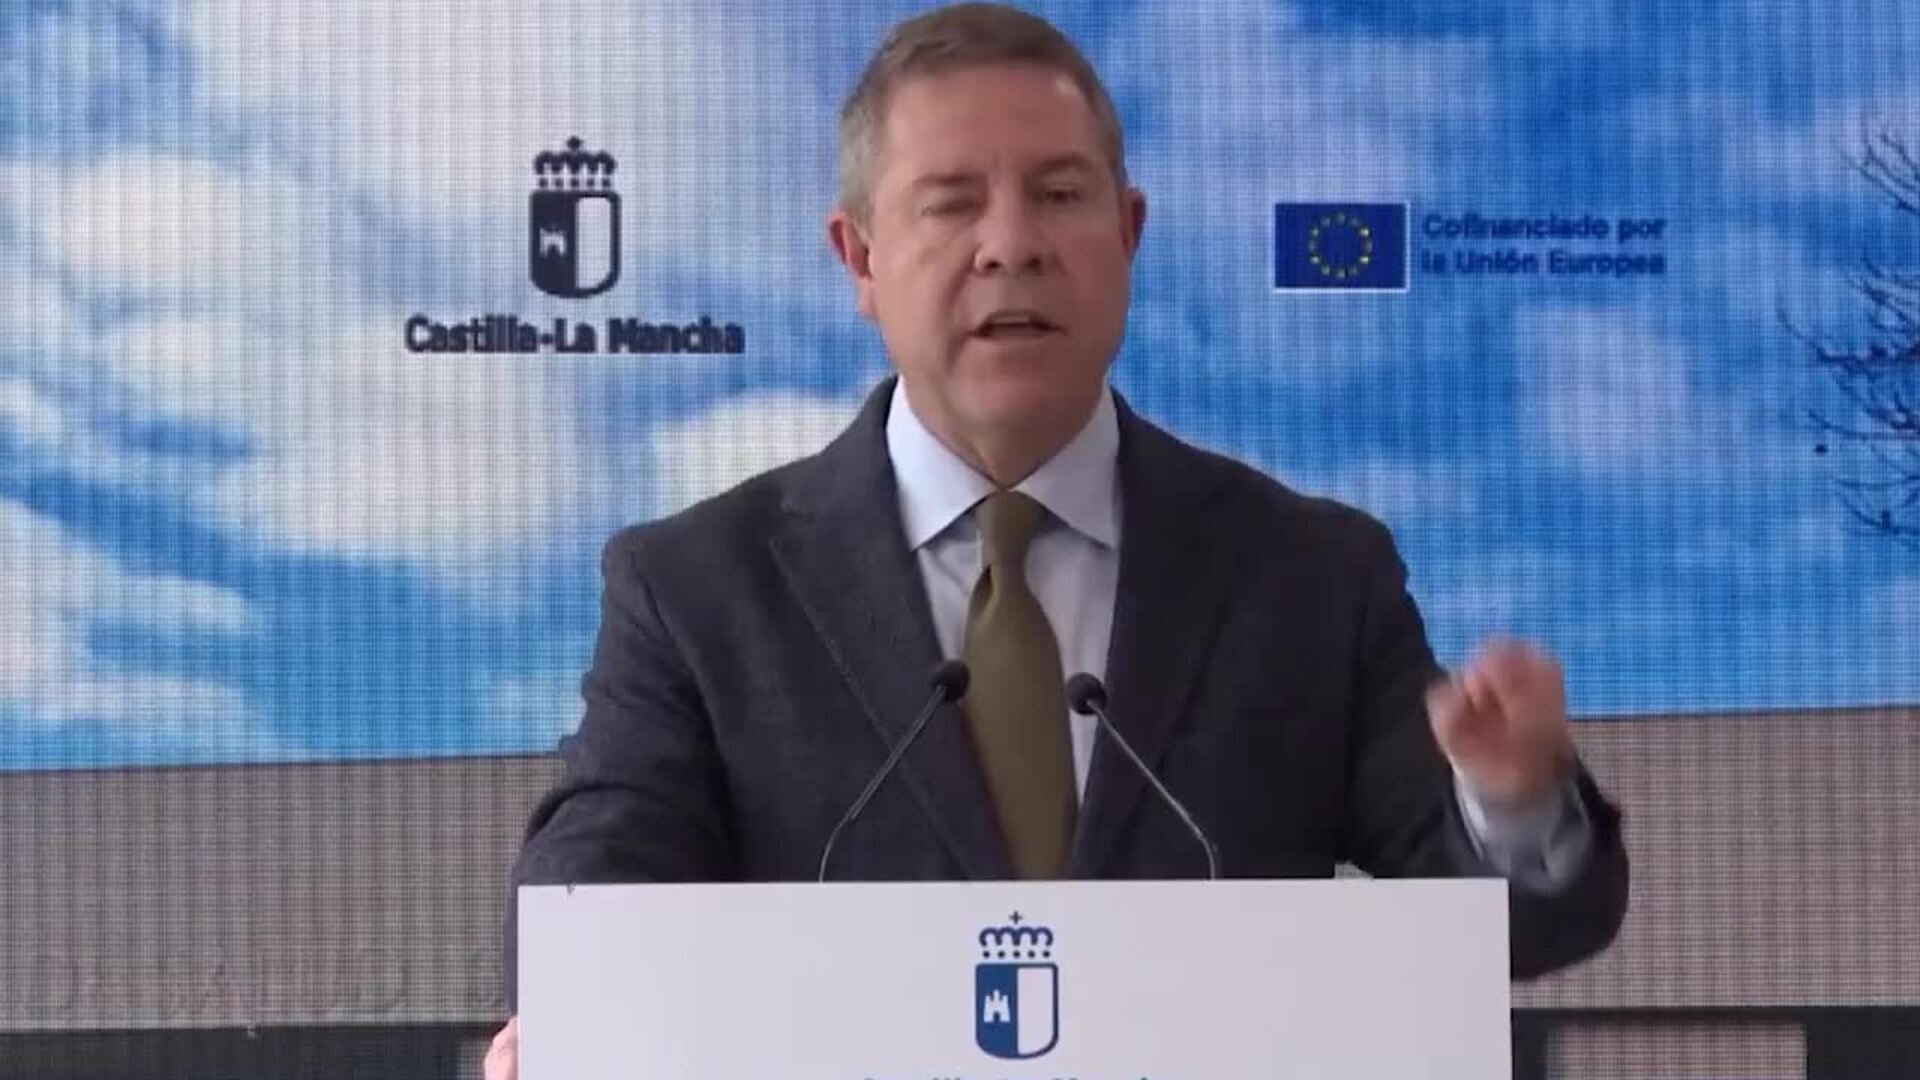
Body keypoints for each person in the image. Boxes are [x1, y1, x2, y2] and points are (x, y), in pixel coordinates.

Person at [484, 4, 1629, 1075]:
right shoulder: (696, 589)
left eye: (1059, 194)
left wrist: (1513, 801)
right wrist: (587, 1004)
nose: (1011, 245)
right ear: (860, 259)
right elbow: (598, 877)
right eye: (951, 203)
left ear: (1127, 234)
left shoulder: (1313, 577)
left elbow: (1513, 924)